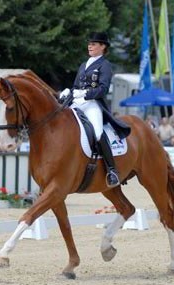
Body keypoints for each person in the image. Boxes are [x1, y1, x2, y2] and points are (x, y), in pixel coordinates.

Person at [60, 32, 130, 187]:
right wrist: (69, 91)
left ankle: (112, 170)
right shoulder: (83, 65)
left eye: (93, 44)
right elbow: (76, 86)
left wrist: (85, 93)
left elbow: (103, 89)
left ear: (103, 47)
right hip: (77, 102)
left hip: (93, 104)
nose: (89, 46)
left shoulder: (105, 65)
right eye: (89, 44)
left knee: (97, 132)